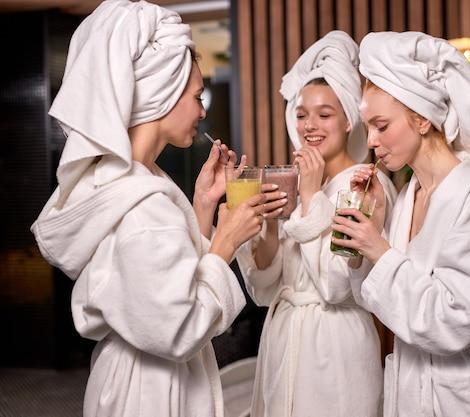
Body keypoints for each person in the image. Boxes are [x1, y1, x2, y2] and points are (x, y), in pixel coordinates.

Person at [30, 1, 284, 416]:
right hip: (153, 391)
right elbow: (178, 327)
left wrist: (202, 207)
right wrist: (225, 240)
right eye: (197, 96)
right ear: (161, 92)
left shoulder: (126, 184)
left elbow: (162, 285)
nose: (202, 110)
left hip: (134, 379)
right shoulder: (143, 205)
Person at [331, 31, 470, 417]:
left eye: (382, 125)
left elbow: (458, 321)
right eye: (368, 127)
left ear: (421, 119)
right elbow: (384, 299)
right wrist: (371, 235)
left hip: (464, 395)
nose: (371, 141)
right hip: (412, 387)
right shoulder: (410, 195)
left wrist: (380, 250)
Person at [235, 31, 397, 417]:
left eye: (325, 115)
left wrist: (310, 199)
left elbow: (336, 285)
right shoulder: (302, 180)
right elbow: (264, 290)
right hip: (285, 341)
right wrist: (271, 223)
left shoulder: (365, 183)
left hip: (336, 347)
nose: (311, 125)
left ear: (348, 121)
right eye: (302, 114)